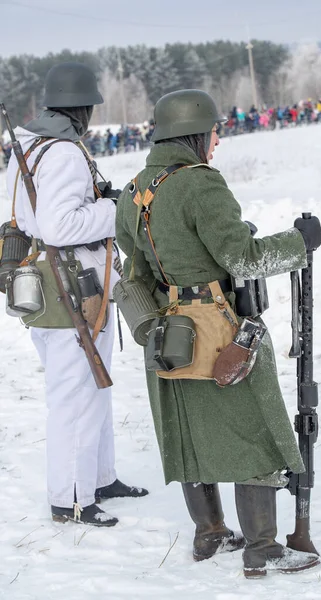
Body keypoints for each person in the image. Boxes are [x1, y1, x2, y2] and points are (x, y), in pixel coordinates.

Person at [115, 89, 321, 578]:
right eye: (213, 133)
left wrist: (156, 325)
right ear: (196, 134)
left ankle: (210, 535)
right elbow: (244, 259)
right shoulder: (201, 185)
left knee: (188, 430)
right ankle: (264, 549)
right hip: (219, 327)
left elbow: (134, 271)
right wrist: (301, 243)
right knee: (255, 426)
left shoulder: (133, 192)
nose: (216, 142)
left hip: (169, 336)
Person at [6, 62, 148, 527]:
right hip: (72, 289)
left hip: (49, 284)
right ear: (82, 109)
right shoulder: (64, 152)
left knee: (93, 385)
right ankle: (69, 498)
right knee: (74, 395)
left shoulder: (28, 145)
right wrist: (113, 210)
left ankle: (99, 477)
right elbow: (58, 225)